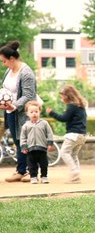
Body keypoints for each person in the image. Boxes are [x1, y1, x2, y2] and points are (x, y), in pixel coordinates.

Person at [0, 41, 37, 183]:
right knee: (17, 141)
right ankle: (21, 170)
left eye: (4, 61)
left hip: (23, 112)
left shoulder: (26, 73)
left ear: (12, 59)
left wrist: (14, 105)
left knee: (25, 141)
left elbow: (29, 95)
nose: (3, 64)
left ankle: (30, 171)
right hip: (10, 112)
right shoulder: (9, 71)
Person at [46, 85, 87, 183]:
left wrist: (52, 113)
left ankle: (74, 172)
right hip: (82, 135)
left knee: (64, 153)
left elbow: (63, 118)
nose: (61, 98)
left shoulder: (72, 106)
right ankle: (76, 177)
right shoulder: (80, 106)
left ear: (67, 96)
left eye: (62, 96)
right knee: (73, 155)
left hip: (73, 134)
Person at [20, 101, 54, 184]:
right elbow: (23, 137)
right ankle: (33, 177)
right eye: (31, 112)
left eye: (36, 111)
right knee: (31, 165)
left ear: (39, 112)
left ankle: (44, 177)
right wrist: (24, 146)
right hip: (30, 149)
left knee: (44, 164)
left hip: (42, 148)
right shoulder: (26, 125)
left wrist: (50, 143)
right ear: (27, 113)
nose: (34, 114)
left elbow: (50, 133)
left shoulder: (44, 123)